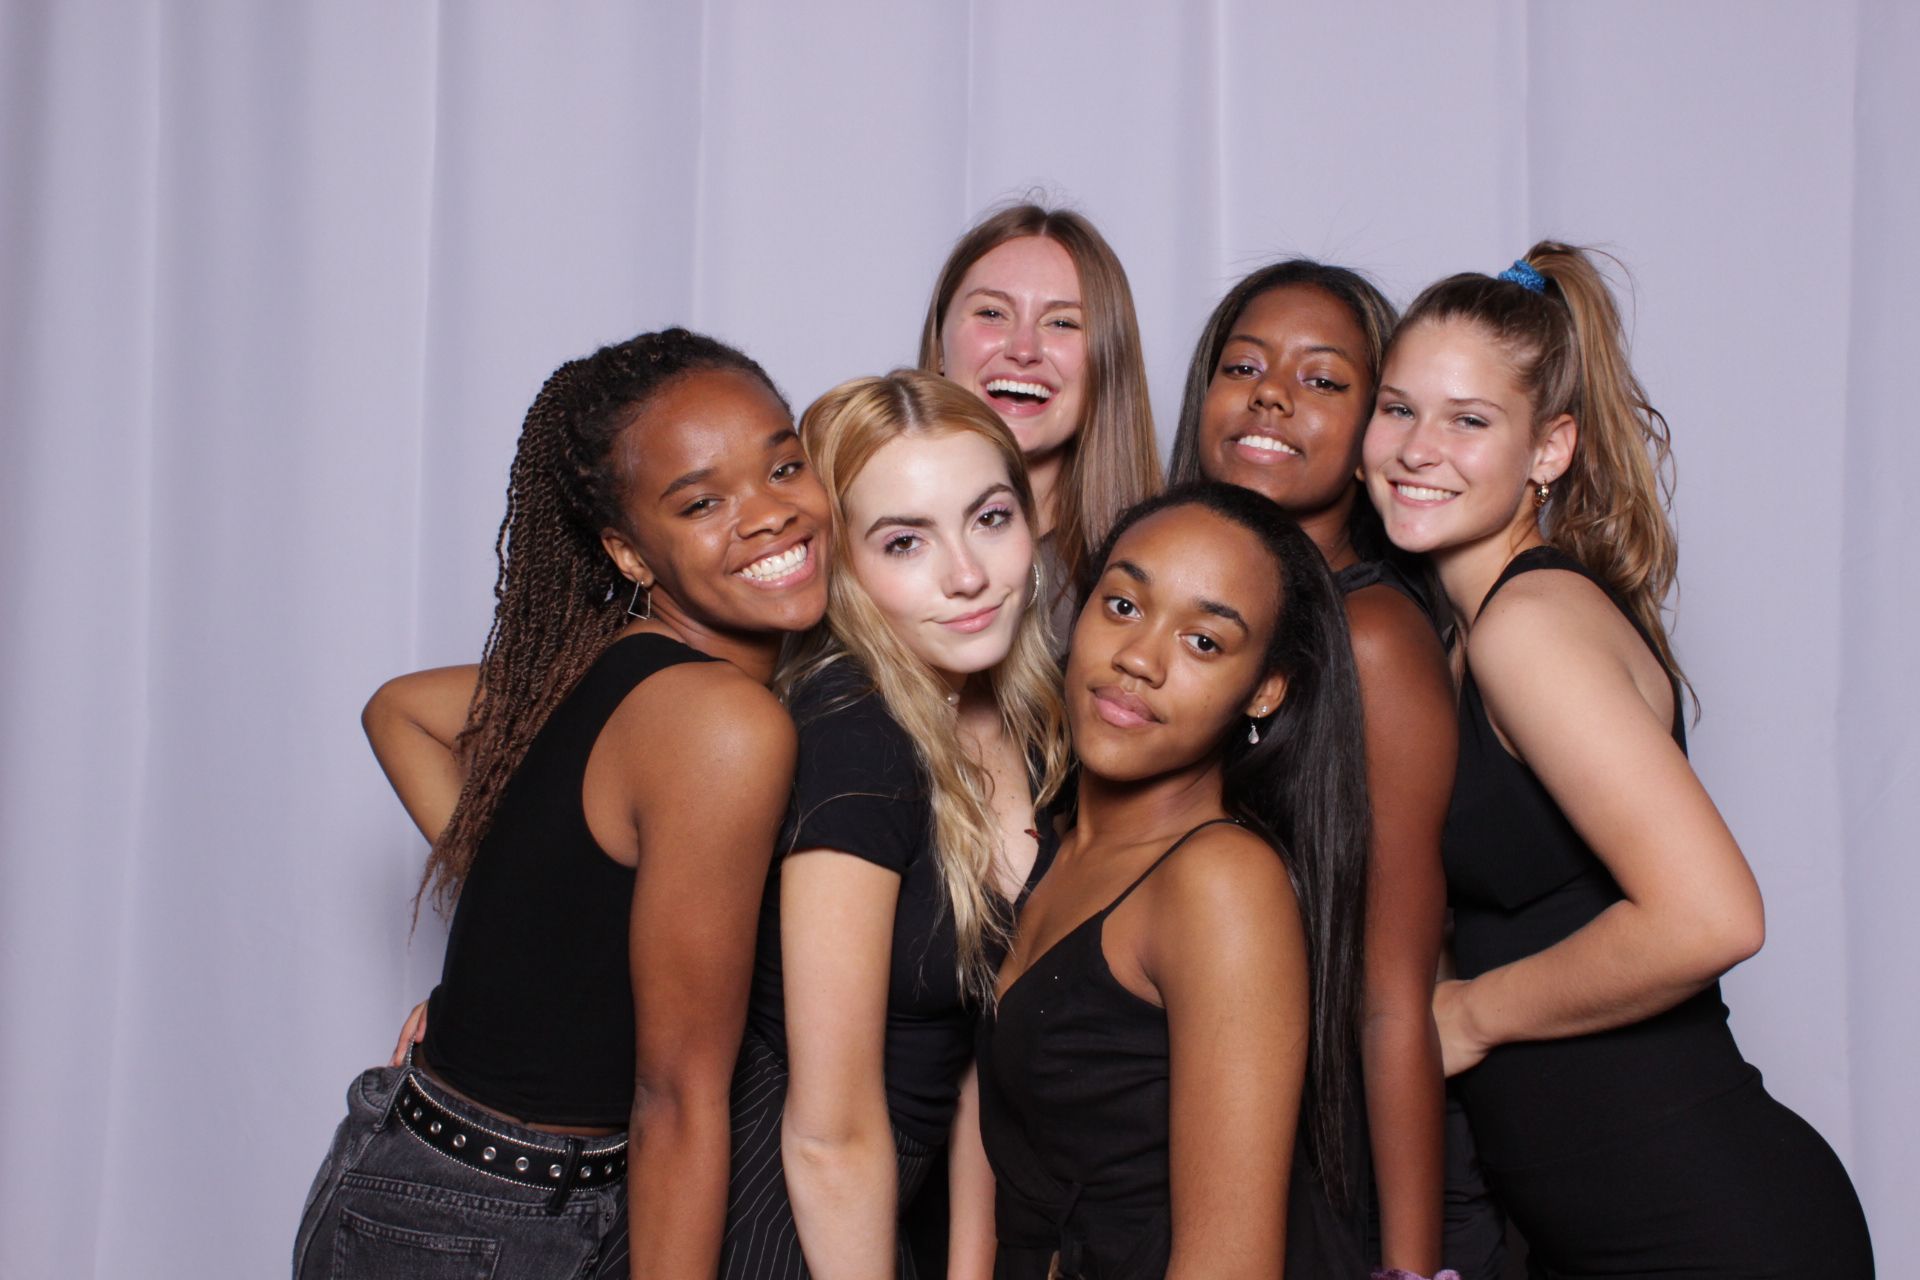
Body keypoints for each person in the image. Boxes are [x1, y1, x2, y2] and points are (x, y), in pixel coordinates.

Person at [1362, 244, 1874, 1276]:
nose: (1418, 448)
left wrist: (1468, 1013)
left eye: (1469, 420)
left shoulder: (1528, 628)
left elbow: (1712, 915)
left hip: (1709, 1230)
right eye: (1398, 408)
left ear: (1549, 450)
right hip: (1601, 1230)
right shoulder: (1470, 637)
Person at [293, 329, 831, 1279]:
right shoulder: (724, 725)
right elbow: (676, 1098)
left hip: (416, 1176)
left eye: (783, 466)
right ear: (629, 553)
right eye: (702, 502)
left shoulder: (605, 665)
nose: (768, 514)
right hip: (487, 1223)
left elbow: (399, 709)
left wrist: (532, 920)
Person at [722, 370, 1070, 1279]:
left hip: (895, 1204)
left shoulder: (1037, 724)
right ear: (839, 563)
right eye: (905, 542)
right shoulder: (855, 735)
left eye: (989, 518)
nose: (967, 574)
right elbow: (827, 1132)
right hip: (788, 1213)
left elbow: (985, 1047)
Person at [977, 481, 1371, 1278]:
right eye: (1123, 606)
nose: (1138, 660)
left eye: (1204, 643)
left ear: (1265, 689)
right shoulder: (1049, 847)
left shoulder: (1220, 883)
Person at [1168, 262, 1465, 1278]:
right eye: (1243, 365)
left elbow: (1394, 997)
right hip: (1199, 1164)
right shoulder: (1163, 618)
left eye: (1323, 379)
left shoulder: (1372, 638)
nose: (1271, 395)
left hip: (1336, 1187)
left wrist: (1409, 1270)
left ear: (1376, 428)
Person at [918, 203, 1162, 645]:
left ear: (1107, 362)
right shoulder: (852, 534)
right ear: (939, 344)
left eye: (1062, 322)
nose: (1024, 349)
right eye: (992, 313)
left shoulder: (1154, 567)